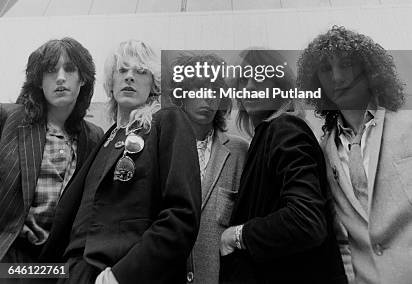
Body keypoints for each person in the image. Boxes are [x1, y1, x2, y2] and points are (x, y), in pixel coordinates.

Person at [42, 40, 201, 284]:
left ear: (154, 82)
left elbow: (181, 216)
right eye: (122, 70)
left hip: (121, 274)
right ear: (111, 81)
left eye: (140, 71)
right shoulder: (106, 137)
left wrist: (123, 275)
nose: (129, 77)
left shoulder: (168, 121)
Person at [219, 49, 347, 284]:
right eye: (242, 81)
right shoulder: (265, 137)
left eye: (257, 78)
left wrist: (236, 235)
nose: (247, 88)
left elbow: (306, 220)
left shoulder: (285, 129)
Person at [297, 25, 412, 284]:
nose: (337, 78)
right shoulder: (323, 150)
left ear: (368, 69)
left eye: (346, 64)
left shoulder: (408, 123)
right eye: (326, 69)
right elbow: (343, 240)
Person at [0, 37, 103, 264]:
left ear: (83, 79)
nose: (60, 78)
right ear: (38, 80)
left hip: (59, 263)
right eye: (50, 70)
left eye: (69, 69)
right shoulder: (10, 120)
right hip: (10, 257)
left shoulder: (94, 137)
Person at [170, 52, 248, 284]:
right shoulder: (162, 148)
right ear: (181, 95)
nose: (207, 98)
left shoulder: (239, 151)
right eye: (198, 89)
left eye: (214, 90)